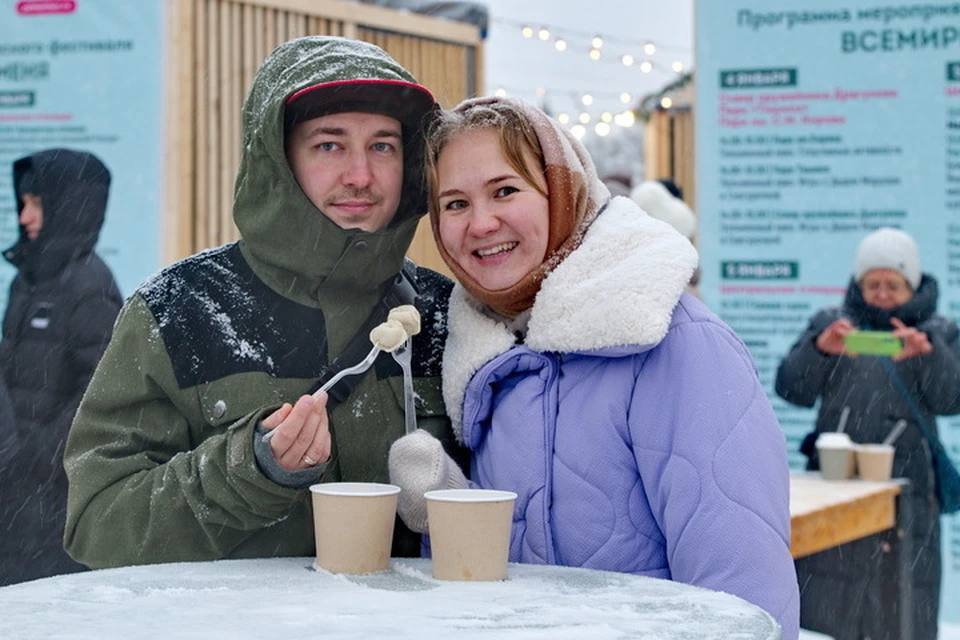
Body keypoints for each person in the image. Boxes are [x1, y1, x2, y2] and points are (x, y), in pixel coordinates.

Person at [387, 97, 800, 639]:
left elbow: (743, 594)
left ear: (562, 192)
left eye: (505, 190)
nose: (482, 223)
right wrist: (450, 512)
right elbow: (538, 568)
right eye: (456, 203)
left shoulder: (672, 342)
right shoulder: (485, 356)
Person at [62, 36, 461, 569]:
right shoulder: (176, 310)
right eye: (329, 145)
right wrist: (246, 472)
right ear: (276, 160)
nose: (361, 176)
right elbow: (98, 524)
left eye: (382, 146)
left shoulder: (447, 313)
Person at [776, 227, 960, 640]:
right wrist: (819, 350)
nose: (881, 294)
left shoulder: (939, 332)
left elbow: (953, 399)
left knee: (903, 603)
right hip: (835, 484)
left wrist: (928, 356)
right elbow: (791, 389)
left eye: (893, 285)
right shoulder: (832, 325)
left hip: (909, 494)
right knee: (828, 603)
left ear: (912, 284)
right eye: (872, 284)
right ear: (858, 284)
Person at [0, 149, 122, 585]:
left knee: (37, 599)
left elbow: (101, 396)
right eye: (23, 203)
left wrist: (33, 457)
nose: (25, 216)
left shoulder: (91, 286)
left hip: (49, 499)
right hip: (13, 490)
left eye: (37, 203)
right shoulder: (29, 280)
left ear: (68, 206)